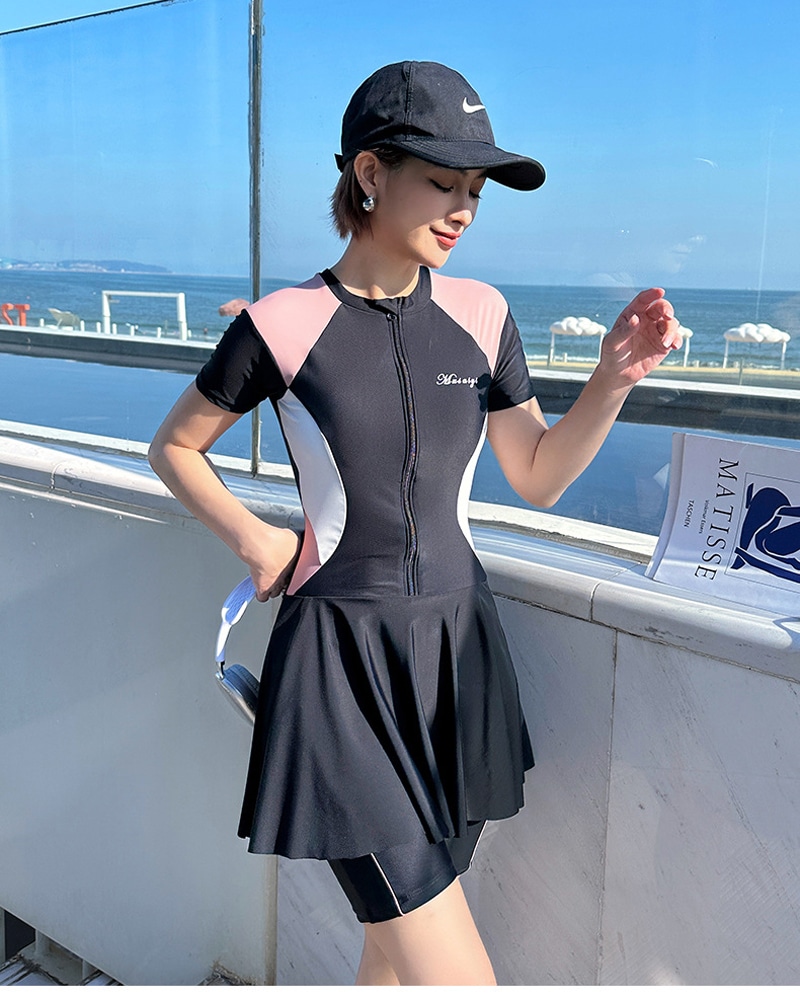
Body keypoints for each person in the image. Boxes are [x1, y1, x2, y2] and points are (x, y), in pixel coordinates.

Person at [148, 60, 682, 987]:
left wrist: (614, 378)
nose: (463, 207)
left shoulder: (483, 313)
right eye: (442, 181)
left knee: (394, 959)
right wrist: (257, 539)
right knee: (455, 975)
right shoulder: (281, 324)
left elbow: (538, 473)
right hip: (339, 674)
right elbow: (175, 446)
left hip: (456, 663)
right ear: (369, 173)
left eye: (475, 190)